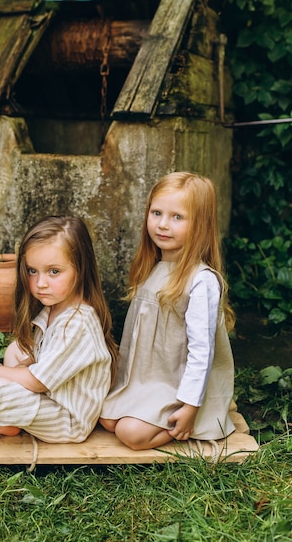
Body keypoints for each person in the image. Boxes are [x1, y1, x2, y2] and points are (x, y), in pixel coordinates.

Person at [0, 215, 118, 443]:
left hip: (67, 421)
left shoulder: (77, 324)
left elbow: (38, 382)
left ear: (80, 269)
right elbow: (38, 361)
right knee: (15, 351)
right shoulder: (56, 307)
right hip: (52, 397)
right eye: (32, 271)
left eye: (53, 272)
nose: (40, 283)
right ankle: (6, 423)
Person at [99, 172, 236, 450]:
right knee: (106, 419)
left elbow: (201, 352)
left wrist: (189, 405)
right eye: (157, 212)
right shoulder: (152, 267)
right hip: (148, 380)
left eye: (177, 217)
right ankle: (153, 410)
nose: (163, 225)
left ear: (200, 225)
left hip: (177, 384)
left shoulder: (201, 280)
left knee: (130, 434)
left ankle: (195, 418)